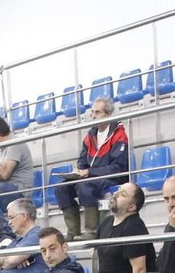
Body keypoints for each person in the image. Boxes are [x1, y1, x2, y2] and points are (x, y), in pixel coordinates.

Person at [56, 97, 130, 241]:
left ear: (108, 114)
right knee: (61, 188)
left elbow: (118, 168)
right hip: (91, 177)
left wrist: (89, 172)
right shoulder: (90, 135)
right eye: (92, 113)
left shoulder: (119, 134)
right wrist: (79, 172)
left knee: (85, 185)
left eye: (97, 112)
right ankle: (73, 231)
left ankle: (91, 230)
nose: (93, 116)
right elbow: (83, 161)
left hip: (111, 178)